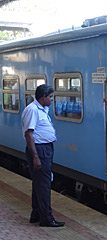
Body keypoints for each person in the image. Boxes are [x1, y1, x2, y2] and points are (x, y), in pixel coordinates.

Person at [21, 84, 65, 227]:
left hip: (44, 149)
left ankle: (36, 214)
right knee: (44, 185)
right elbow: (29, 134)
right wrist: (35, 157)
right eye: (50, 97)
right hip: (39, 150)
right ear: (43, 97)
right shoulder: (33, 110)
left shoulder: (41, 109)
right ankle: (47, 218)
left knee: (38, 184)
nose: (52, 99)